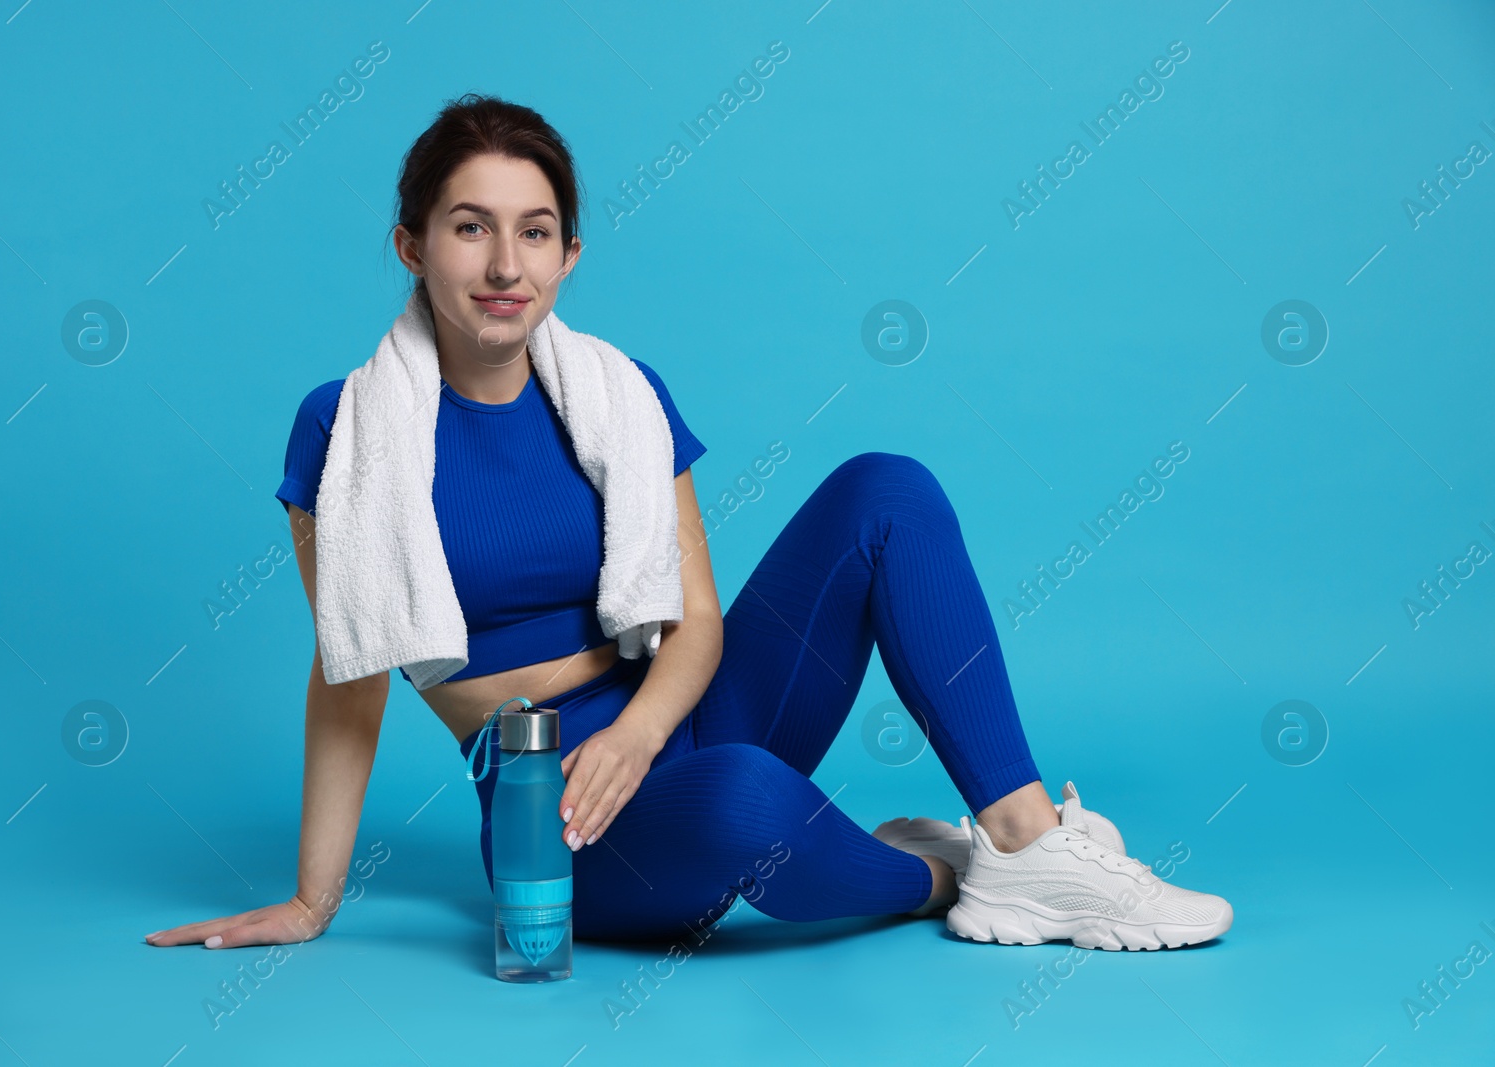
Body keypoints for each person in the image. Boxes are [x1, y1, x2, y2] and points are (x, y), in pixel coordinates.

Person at [144, 93, 1231, 953]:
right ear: (411, 244)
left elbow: (698, 622)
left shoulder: (620, 392)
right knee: (749, 801)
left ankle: (1025, 842)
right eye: (469, 228)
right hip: (554, 803)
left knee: (885, 489)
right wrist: (311, 898)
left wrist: (639, 729)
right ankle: (940, 875)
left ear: (570, 255)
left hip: (678, 709)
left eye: (535, 233)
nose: (504, 266)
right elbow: (350, 670)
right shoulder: (343, 428)